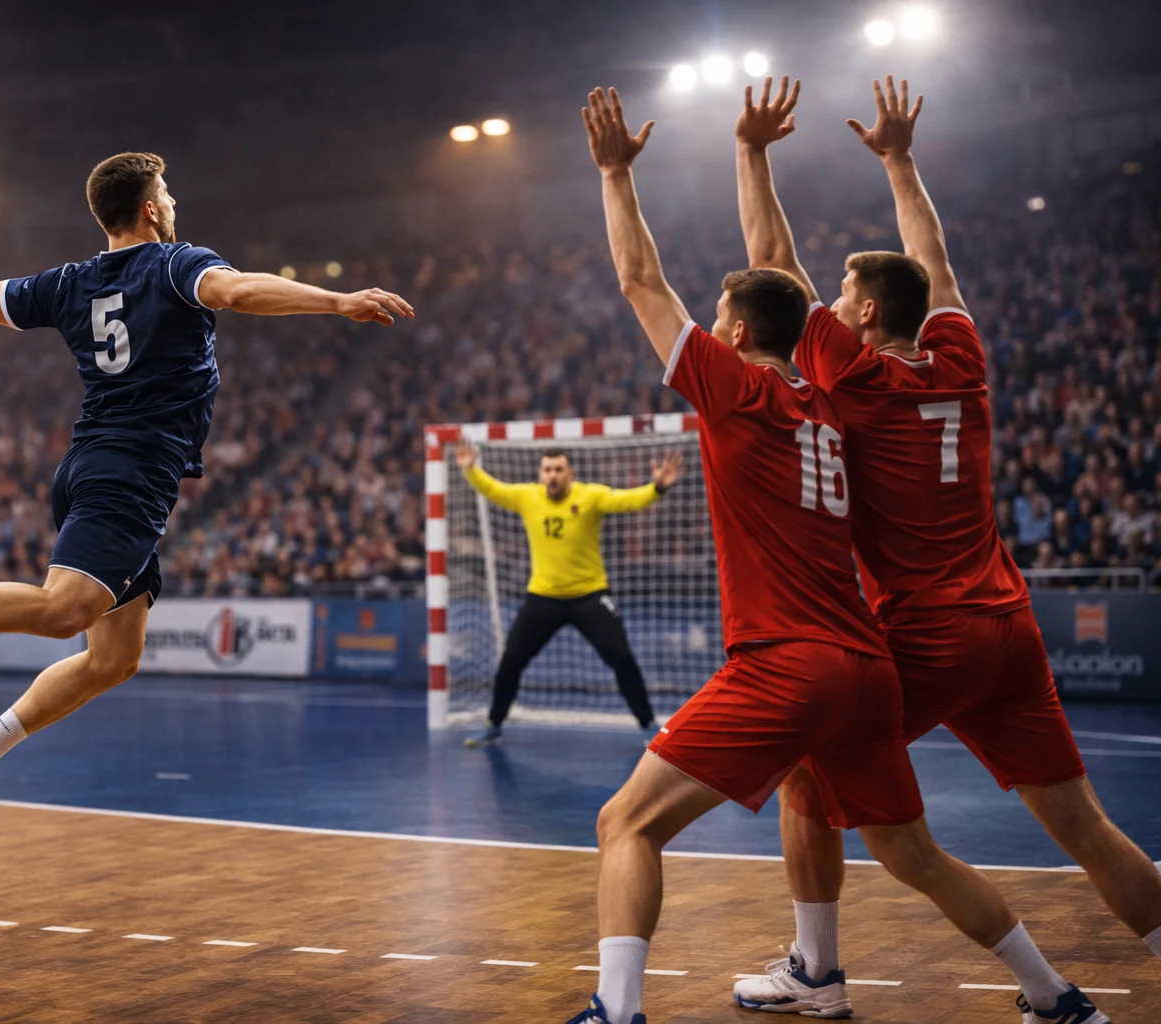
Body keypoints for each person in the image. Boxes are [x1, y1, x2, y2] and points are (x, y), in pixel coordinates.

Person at [563, 85, 1096, 1024]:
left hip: (790, 661)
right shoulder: (833, 406)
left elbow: (645, 282)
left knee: (624, 823)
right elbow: (854, 270)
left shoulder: (756, 390)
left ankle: (617, 1010)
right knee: (913, 852)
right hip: (869, 664)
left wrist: (614, 174)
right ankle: (1052, 997)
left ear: (732, 335)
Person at [0, 150, 413, 832]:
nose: (172, 202)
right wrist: (336, 300)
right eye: (166, 192)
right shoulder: (174, 263)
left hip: (102, 466)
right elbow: (235, 291)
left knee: (114, 657)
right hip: (129, 470)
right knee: (63, 612)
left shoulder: (73, 282)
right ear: (149, 207)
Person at [730, 74, 1140, 1023]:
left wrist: (751, 153)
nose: (829, 300)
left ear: (866, 316)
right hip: (1008, 623)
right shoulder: (963, 359)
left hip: (929, 629)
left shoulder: (858, 374)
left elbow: (771, 260)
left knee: (806, 764)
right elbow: (935, 257)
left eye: (843, 294)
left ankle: (816, 973)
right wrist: (900, 160)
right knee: (1086, 828)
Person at [454, 443, 683, 746]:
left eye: (559, 470)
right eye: (547, 470)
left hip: (590, 596)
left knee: (622, 658)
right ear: (540, 474)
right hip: (543, 598)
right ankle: (494, 723)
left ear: (570, 474)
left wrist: (657, 488)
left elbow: (628, 500)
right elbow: (493, 489)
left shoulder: (590, 496)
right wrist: (470, 469)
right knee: (511, 661)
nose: (553, 475)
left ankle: (647, 725)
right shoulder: (527, 497)